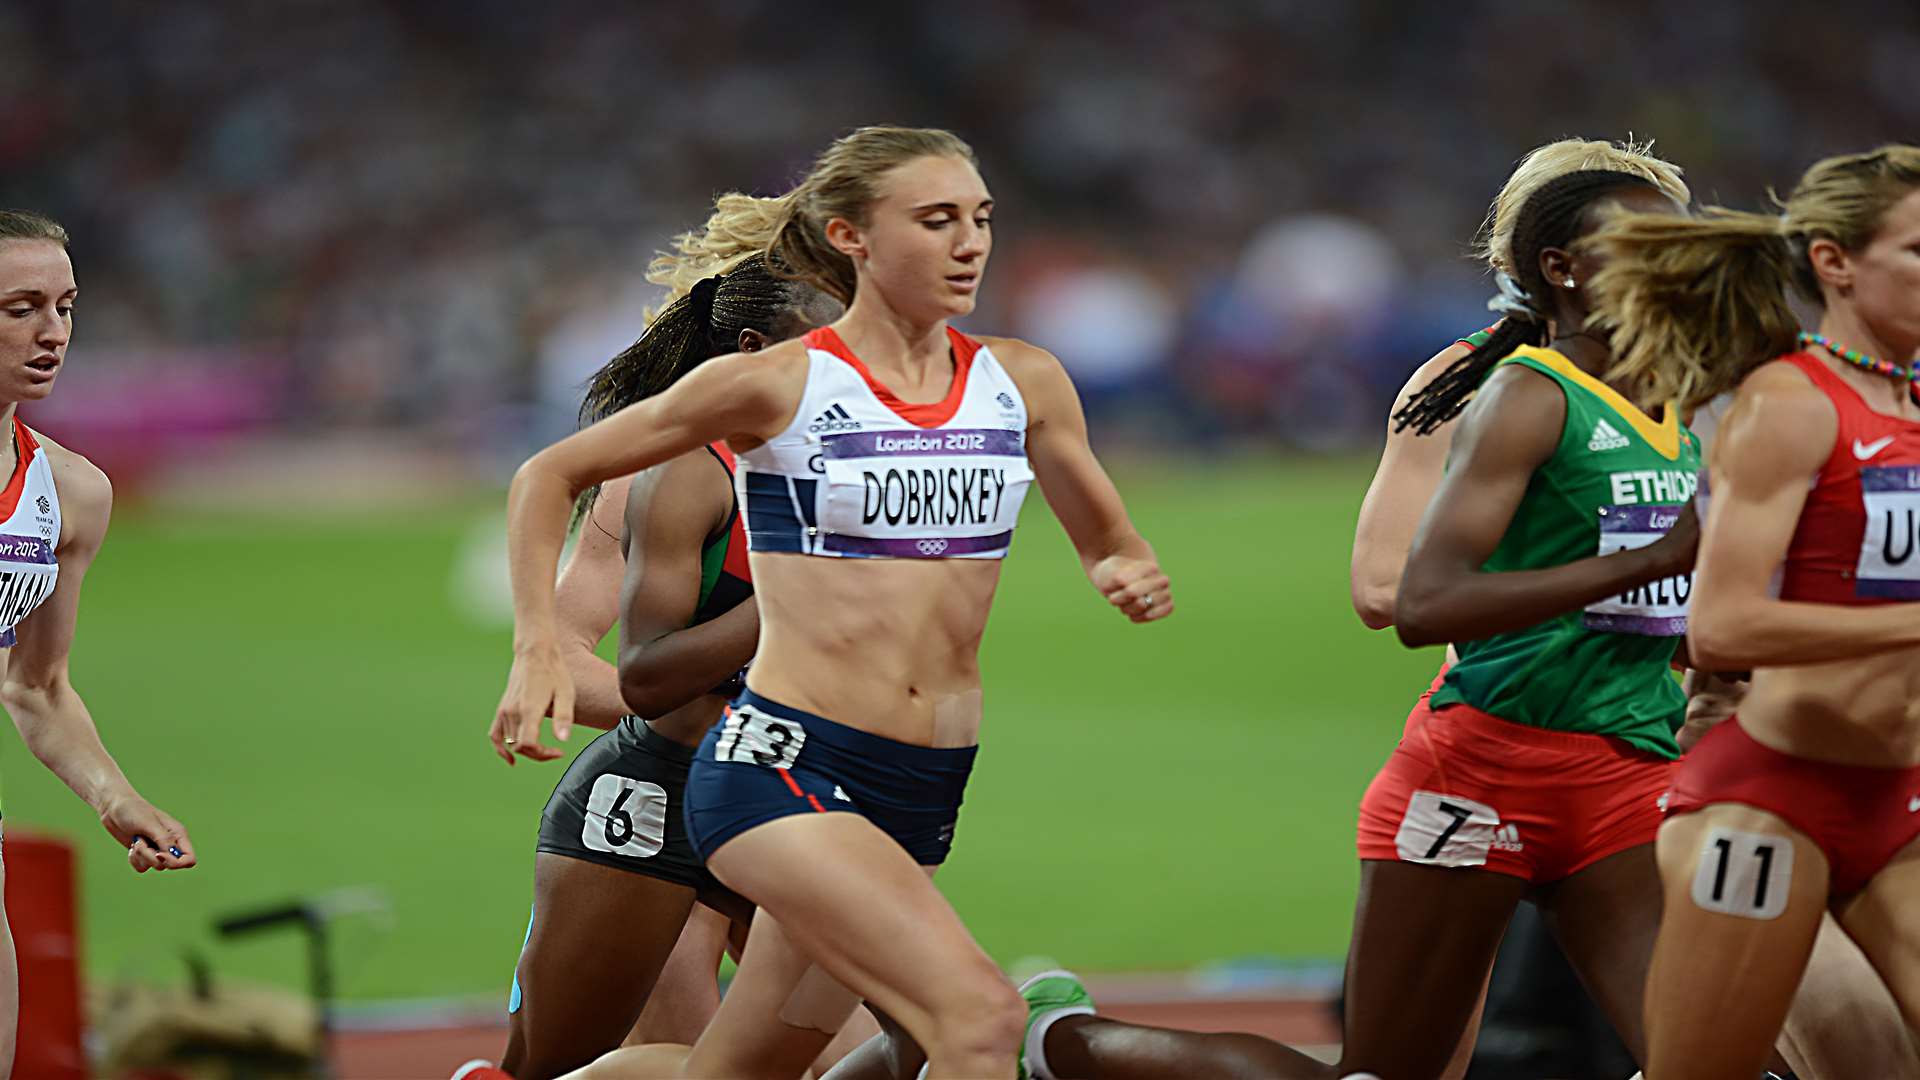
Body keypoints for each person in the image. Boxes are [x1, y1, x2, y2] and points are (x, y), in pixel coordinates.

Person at [496, 126, 1171, 1079]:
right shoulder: (737, 423)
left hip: (910, 781)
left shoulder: (1013, 382)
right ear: (853, 239)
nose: (971, 242)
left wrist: (1123, 562)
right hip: (745, 772)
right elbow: (604, 599)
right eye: (937, 220)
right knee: (972, 1021)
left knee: (748, 1067)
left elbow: (1105, 527)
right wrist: (537, 650)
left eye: (980, 218)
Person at [1336, 168, 1701, 1080]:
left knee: (1707, 1058)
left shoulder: (1679, 397)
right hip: (1488, 768)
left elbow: (1671, 603)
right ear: (1559, 266)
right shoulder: (1517, 391)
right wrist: (1650, 564)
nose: (1673, 260)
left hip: (1627, 767)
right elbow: (1409, 602)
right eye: (1642, 240)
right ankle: (1069, 1047)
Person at [1585, 144, 1920, 1079]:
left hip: (1900, 802)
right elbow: (1721, 628)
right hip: (1767, 806)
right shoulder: (1789, 405)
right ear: (1835, 261)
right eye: (1919, 250)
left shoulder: (1915, 405)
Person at [488, 246, 848, 1080]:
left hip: (802, 798)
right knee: (662, 1050)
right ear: (755, 348)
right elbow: (588, 667)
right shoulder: (671, 474)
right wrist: (538, 656)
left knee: (898, 1044)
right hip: (663, 799)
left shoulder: (866, 471)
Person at [0, 210, 197, 1077]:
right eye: (21, 308)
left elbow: (35, 687)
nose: (54, 333)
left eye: (67, 307)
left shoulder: (70, 492)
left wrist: (115, 798)